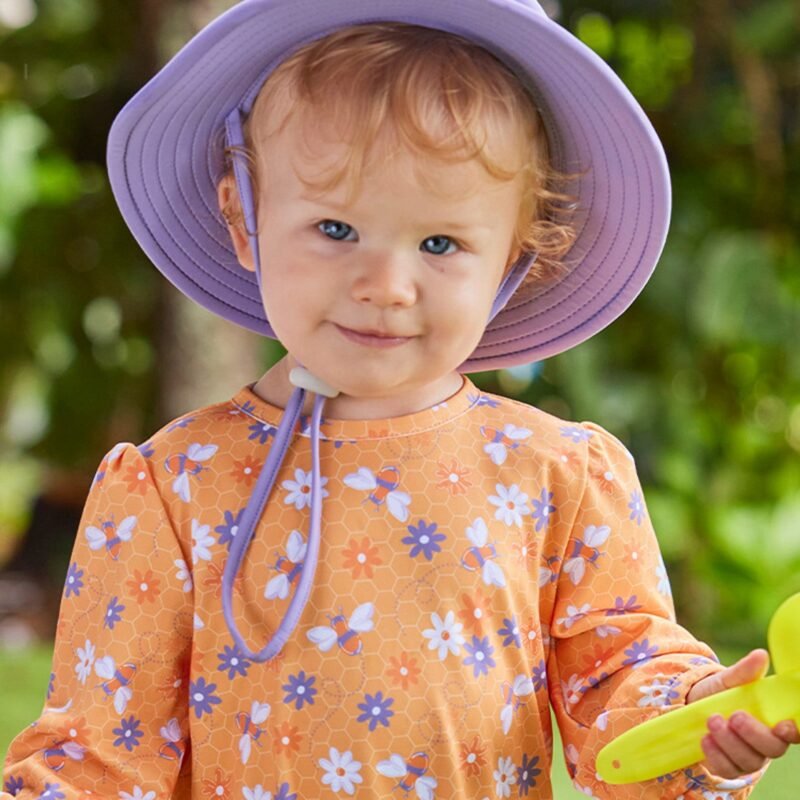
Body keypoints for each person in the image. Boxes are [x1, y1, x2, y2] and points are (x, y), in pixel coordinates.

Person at [3, 2, 798, 799]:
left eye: (440, 244)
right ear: (243, 220)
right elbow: (98, 757)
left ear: (514, 257)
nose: (385, 287)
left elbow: (618, 684)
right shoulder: (172, 489)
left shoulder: (554, 477)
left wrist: (696, 717)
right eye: (336, 229)